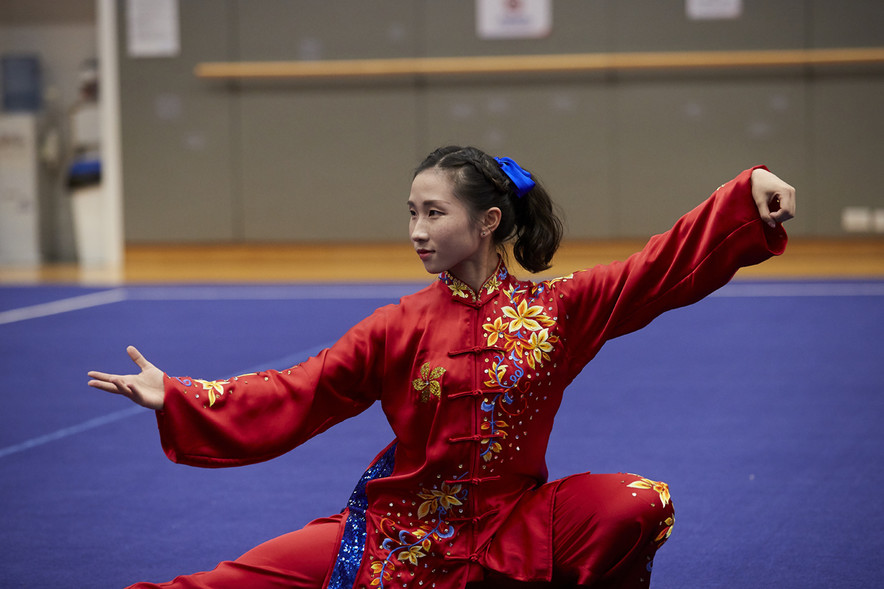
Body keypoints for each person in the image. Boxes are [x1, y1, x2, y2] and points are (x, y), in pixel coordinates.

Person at [88, 145, 796, 589]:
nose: (417, 231)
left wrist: (747, 192)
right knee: (221, 584)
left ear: (488, 221)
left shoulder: (561, 309)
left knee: (638, 501)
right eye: (411, 213)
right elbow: (300, 390)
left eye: (433, 212)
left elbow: (660, 268)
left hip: (514, 526)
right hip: (396, 534)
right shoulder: (398, 324)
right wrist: (178, 393)